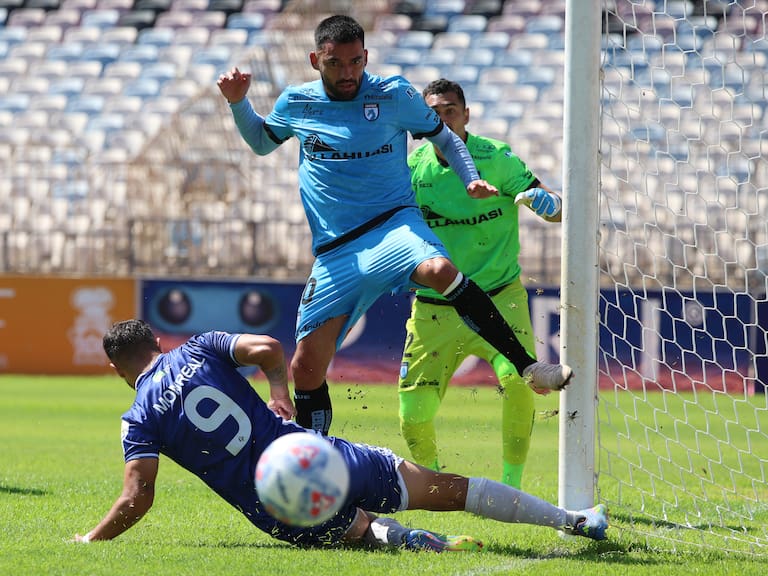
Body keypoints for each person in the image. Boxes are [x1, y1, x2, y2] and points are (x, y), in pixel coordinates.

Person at [216, 14, 573, 435]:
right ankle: (316, 463)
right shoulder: (297, 103)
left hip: (393, 226)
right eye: (335, 64)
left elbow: (443, 136)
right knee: (305, 367)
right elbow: (261, 143)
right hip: (336, 251)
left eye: (355, 62)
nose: (347, 73)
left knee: (440, 270)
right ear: (316, 60)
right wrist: (239, 102)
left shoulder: (394, 94)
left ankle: (529, 367)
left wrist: (469, 175)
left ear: (366, 57)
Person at [73, 319, 608, 550]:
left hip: (274, 503)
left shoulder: (139, 416)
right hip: (308, 451)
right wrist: (279, 392)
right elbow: (266, 348)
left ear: (120, 369)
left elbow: (137, 497)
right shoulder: (196, 348)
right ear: (157, 342)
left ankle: (400, 539)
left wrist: (92, 539)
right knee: (444, 488)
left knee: (355, 530)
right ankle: (574, 521)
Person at [398, 79, 565, 488]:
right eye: (434, 113)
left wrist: (550, 204)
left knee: (521, 382)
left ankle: (511, 485)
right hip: (435, 307)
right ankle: (437, 488)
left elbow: (556, 209)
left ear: (466, 114)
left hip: (500, 296)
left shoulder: (497, 159)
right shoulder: (411, 172)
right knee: (412, 415)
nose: (443, 118)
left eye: (450, 110)